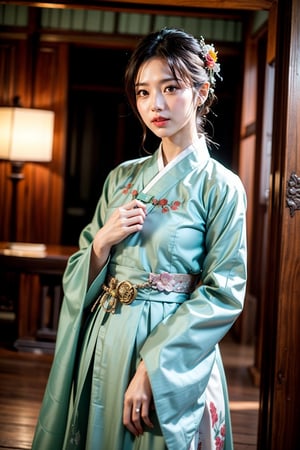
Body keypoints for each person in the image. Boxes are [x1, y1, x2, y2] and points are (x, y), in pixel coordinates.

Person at [32, 28, 247, 450]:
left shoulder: (221, 186)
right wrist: (101, 243)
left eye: (171, 88)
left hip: (170, 346)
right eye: (143, 92)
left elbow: (224, 291)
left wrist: (153, 367)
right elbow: (81, 267)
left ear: (201, 92)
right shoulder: (122, 177)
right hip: (107, 337)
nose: (156, 105)